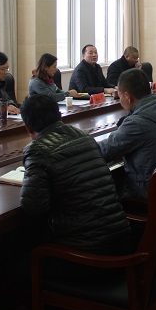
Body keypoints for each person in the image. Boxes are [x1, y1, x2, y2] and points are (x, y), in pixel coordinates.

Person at [20, 95, 131, 256]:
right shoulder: (85, 137)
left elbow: (34, 208)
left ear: (28, 127)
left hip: (85, 249)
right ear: (59, 115)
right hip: (120, 238)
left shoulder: (37, 150)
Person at [98, 69, 156, 198]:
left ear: (128, 96)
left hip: (147, 193)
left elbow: (105, 151)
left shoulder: (137, 123)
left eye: (120, 96)